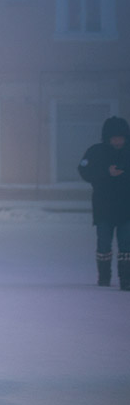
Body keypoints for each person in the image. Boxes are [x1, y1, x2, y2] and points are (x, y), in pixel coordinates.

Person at [77, 115, 130, 288]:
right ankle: (104, 277)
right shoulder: (96, 152)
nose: (117, 141)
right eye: (114, 138)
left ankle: (126, 279)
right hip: (104, 208)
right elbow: (84, 171)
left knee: (126, 244)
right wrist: (106, 173)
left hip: (126, 208)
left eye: (120, 137)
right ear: (107, 137)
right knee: (104, 243)